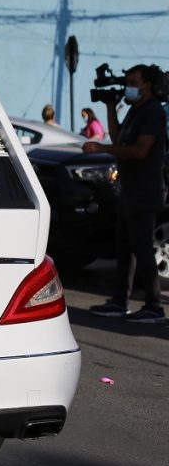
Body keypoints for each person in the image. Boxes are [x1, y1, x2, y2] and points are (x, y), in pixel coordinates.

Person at [86, 65, 167, 323]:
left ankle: (154, 306)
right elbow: (120, 138)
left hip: (144, 191)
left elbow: (140, 151)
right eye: (127, 82)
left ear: (148, 85)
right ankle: (120, 301)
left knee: (143, 249)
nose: (128, 87)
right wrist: (111, 107)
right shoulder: (136, 110)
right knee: (124, 247)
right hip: (129, 190)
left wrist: (102, 148)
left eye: (133, 82)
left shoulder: (153, 112)